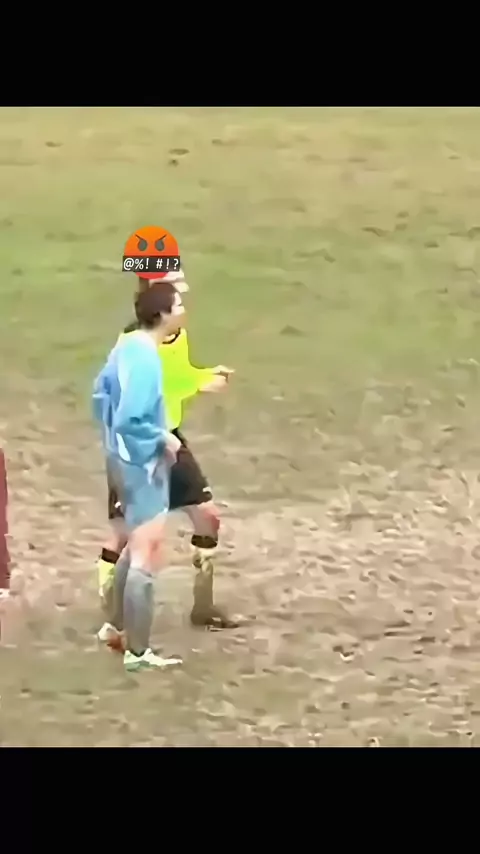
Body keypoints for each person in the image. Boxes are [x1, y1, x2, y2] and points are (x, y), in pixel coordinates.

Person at [96, 269, 240, 648]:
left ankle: (202, 607)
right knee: (132, 537)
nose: (184, 300)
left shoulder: (172, 336)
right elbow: (128, 400)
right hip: (142, 445)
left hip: (168, 438)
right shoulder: (135, 345)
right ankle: (116, 624)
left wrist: (203, 378)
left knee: (207, 518)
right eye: (178, 295)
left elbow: (174, 378)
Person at [92, 282, 184, 672]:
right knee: (146, 552)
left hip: (119, 458)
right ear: (161, 315)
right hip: (141, 464)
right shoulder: (146, 358)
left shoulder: (125, 346)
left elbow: (99, 395)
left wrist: (111, 441)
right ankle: (138, 651)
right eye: (177, 304)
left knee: (133, 544)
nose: (183, 309)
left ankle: (114, 627)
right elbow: (131, 417)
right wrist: (162, 438)